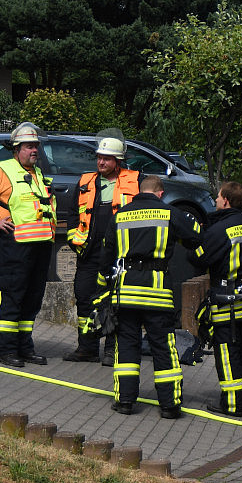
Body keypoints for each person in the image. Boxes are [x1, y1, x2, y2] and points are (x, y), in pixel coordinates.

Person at [94, 175, 204, 419]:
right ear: (161, 193)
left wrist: (102, 287)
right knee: (164, 347)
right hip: (157, 294)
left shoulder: (120, 215)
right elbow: (197, 236)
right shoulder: (169, 213)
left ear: (138, 192)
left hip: (126, 292)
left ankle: (125, 401)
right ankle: (170, 405)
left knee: (127, 347)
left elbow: (106, 256)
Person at [0, 122, 57, 368]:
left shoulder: (37, 173)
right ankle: (4, 350)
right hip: (13, 245)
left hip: (39, 246)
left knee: (32, 297)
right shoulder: (0, 171)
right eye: (29, 146)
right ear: (16, 149)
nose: (34, 150)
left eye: (36, 146)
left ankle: (24, 347)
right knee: (11, 295)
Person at [64, 135, 141, 365]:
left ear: (118, 161)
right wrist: (72, 240)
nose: (101, 163)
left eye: (107, 159)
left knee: (115, 301)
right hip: (89, 252)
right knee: (84, 298)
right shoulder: (86, 181)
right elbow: (71, 215)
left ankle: (111, 350)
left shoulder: (135, 180)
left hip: (119, 254)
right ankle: (87, 348)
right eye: (99, 158)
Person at [197, 180, 242, 417]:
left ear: (225, 200)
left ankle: (232, 404)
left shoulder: (218, 230)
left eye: (217, 197)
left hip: (225, 300)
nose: (215, 200)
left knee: (225, 352)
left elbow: (199, 260)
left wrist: (196, 239)